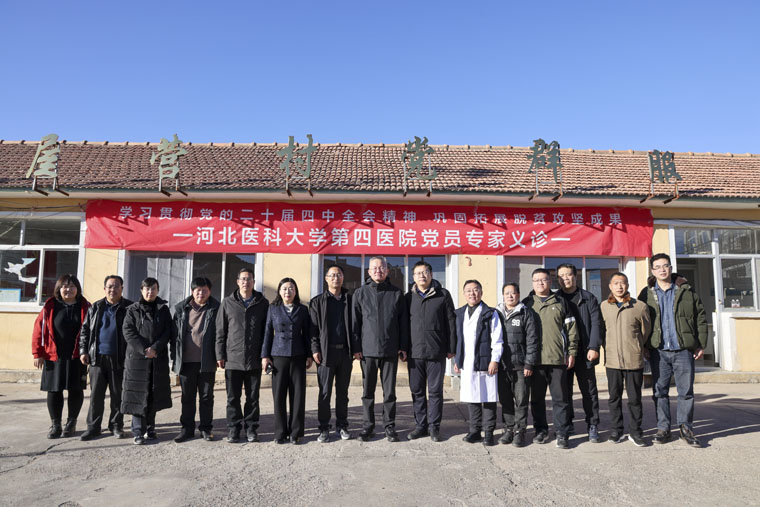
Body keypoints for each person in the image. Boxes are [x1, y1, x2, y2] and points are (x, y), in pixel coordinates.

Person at [639, 253, 707, 448]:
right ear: (652, 271)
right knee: (660, 391)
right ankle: (663, 428)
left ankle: (686, 428)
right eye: (658, 267)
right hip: (658, 351)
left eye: (665, 266)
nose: (662, 270)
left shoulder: (686, 291)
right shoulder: (646, 294)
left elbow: (700, 317)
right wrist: (644, 345)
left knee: (686, 391)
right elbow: (641, 322)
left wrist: (700, 344)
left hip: (683, 349)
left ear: (671, 268)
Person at [352, 255, 410, 442]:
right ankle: (367, 427)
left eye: (382, 268)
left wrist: (402, 346)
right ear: (369, 271)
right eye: (374, 268)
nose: (378, 271)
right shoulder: (360, 293)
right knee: (367, 392)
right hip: (367, 351)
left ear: (387, 270)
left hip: (390, 349)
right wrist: (356, 347)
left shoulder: (396, 293)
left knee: (389, 392)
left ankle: (389, 426)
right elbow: (355, 323)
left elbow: (403, 323)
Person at [523, 268, 579, 450]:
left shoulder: (561, 302)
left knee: (560, 399)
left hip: (557, 359)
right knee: (537, 399)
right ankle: (541, 430)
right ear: (532, 282)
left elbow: (571, 329)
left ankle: (562, 433)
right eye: (536, 280)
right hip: (535, 361)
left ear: (550, 282)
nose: (540, 283)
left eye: (544, 280)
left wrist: (571, 352)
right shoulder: (526, 304)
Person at [32, 274, 90, 439]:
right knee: (54, 390)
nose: (68, 289)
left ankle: (71, 423)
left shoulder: (86, 306)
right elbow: (38, 330)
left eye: (72, 286)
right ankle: (55, 424)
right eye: (65, 286)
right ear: (59, 288)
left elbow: (93, 332)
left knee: (75, 389)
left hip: (77, 356)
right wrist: (37, 353)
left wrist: (89, 352)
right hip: (53, 356)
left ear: (77, 289)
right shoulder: (50, 306)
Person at [216, 267, 269, 443]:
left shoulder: (262, 303)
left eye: (249, 279)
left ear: (254, 282)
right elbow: (220, 331)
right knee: (233, 398)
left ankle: (251, 429)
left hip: (254, 359)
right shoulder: (227, 303)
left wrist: (265, 355)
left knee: (253, 398)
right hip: (233, 358)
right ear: (238, 282)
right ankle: (234, 428)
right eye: (243, 279)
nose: (246, 282)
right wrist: (220, 354)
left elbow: (267, 332)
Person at [405, 261, 456, 442]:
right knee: (417, 391)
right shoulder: (408, 298)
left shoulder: (443, 295)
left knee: (435, 391)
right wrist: (403, 348)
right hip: (414, 352)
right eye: (418, 273)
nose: (422, 275)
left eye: (425, 272)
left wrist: (451, 347)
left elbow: (451, 322)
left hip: (436, 351)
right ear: (413, 277)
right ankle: (420, 426)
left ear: (431, 274)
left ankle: (434, 427)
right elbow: (403, 325)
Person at [79, 275, 132, 441]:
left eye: (116, 286)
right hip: (97, 358)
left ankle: (116, 425)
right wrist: (83, 351)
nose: (112, 289)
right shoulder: (95, 307)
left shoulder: (129, 308)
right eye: (109, 286)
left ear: (122, 288)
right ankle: (93, 427)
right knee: (96, 395)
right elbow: (85, 331)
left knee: (117, 395)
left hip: (119, 358)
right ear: (104, 289)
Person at [601, 272, 652, 446]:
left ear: (628, 285)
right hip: (612, 360)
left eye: (622, 283)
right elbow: (602, 332)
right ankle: (616, 430)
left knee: (634, 399)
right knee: (614, 397)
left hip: (633, 359)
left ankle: (636, 432)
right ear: (610, 286)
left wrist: (636, 346)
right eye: (615, 283)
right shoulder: (604, 307)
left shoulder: (639, 306)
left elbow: (645, 331)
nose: (619, 286)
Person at [121, 277, 173, 445]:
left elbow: (168, 331)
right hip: (137, 359)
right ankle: (137, 431)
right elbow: (128, 331)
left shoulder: (163, 309)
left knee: (153, 394)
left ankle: (150, 428)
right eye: (147, 289)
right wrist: (144, 349)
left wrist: (155, 348)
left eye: (153, 289)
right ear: (141, 290)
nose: (150, 292)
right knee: (137, 395)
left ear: (158, 290)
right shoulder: (132, 310)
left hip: (157, 358)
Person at [556, 263, 604, 443]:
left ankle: (593, 424)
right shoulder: (555, 299)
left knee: (589, 391)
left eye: (568, 275)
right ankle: (567, 424)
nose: (565, 278)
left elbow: (597, 324)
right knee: (564, 391)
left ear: (575, 276)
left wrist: (594, 347)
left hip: (585, 351)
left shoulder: (588, 298)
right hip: (563, 353)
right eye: (561, 276)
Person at [453, 280, 503, 447]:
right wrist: (457, 360)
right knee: (472, 397)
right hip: (467, 362)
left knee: (488, 397)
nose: (472, 293)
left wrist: (494, 360)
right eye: (468, 290)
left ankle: (489, 432)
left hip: (486, 361)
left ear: (481, 292)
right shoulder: (459, 313)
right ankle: (474, 430)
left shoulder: (490, 313)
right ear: (464, 294)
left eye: (475, 290)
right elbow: (459, 339)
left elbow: (497, 339)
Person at [262, 278, 312, 444]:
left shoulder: (303, 310)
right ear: (279, 291)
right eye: (284, 289)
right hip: (278, 356)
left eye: (291, 288)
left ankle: (295, 432)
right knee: (279, 396)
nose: (287, 292)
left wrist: (309, 355)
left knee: (298, 396)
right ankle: (280, 432)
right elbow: (267, 333)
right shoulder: (273, 309)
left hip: (298, 356)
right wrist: (265, 356)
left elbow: (307, 334)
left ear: (295, 291)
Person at [171, 277, 220, 443]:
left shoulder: (216, 308)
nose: (201, 293)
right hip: (186, 362)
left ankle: (206, 429)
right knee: (187, 397)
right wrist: (175, 358)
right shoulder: (181, 309)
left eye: (205, 290)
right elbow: (174, 336)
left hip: (207, 361)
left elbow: (221, 334)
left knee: (206, 397)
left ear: (210, 291)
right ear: (192, 291)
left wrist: (220, 356)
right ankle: (187, 429)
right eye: (198, 290)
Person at [309, 264, 354, 443]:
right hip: (325, 354)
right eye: (332, 275)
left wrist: (356, 349)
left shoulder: (350, 300)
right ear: (326, 279)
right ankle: (324, 428)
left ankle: (342, 425)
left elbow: (356, 327)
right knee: (325, 393)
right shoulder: (317, 302)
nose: (336, 278)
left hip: (345, 353)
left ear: (343, 278)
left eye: (339, 275)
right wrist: (315, 349)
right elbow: (313, 330)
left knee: (343, 393)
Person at [495, 282, 538, 447]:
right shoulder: (496, 313)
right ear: (503, 295)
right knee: (505, 400)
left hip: (520, 366)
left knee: (521, 400)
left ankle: (520, 431)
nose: (510, 296)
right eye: (507, 293)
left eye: (513, 293)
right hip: (502, 366)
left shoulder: (526, 313)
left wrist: (529, 364)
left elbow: (532, 340)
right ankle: (509, 429)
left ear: (518, 295)